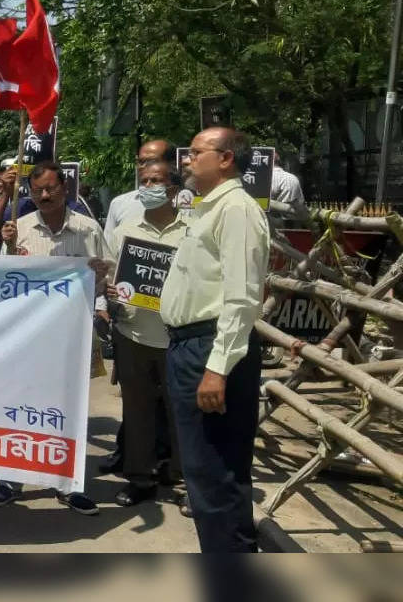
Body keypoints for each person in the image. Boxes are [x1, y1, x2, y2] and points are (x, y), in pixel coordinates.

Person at [160, 127, 268, 553]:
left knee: (216, 475)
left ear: (225, 159)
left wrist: (216, 368)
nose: (186, 159)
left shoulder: (237, 209)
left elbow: (242, 298)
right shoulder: (206, 209)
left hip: (211, 349)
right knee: (205, 474)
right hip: (190, 348)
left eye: (196, 153)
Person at [0, 160, 109, 516]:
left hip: (70, 339)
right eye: (37, 190)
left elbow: (103, 279)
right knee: (18, 407)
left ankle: (67, 484)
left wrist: (100, 276)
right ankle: (10, 481)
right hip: (26, 340)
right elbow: (0, 279)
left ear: (65, 190)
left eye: (51, 189)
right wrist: (6, 247)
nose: (44, 195)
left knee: (68, 411)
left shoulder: (88, 230)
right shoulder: (19, 229)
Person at [103, 161, 188, 508]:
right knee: (137, 413)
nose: (148, 186)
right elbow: (108, 274)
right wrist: (107, 291)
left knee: (182, 414)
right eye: (144, 181)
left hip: (178, 339)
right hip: (132, 334)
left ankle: (185, 480)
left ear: (172, 190)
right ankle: (139, 478)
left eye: (156, 181)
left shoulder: (192, 231)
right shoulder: (125, 230)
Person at [103, 140, 174, 241]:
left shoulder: (186, 203)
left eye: (151, 161)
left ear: (170, 164)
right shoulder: (119, 204)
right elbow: (108, 252)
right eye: (141, 162)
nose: (143, 166)